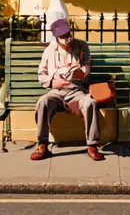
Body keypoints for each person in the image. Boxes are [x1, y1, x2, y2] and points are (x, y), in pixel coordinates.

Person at [31, 18, 105, 161]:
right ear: (57, 37)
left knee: (90, 103)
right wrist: (53, 82)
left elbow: (86, 68)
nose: (67, 38)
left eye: (68, 34)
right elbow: (42, 74)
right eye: (63, 36)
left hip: (76, 91)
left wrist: (81, 73)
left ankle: (92, 145)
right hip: (56, 92)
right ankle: (42, 144)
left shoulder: (82, 46)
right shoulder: (49, 51)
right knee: (43, 102)